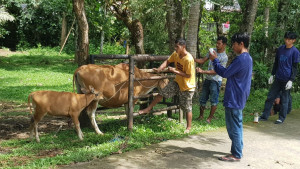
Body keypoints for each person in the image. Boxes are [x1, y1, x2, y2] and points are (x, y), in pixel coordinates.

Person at [209, 32, 252, 162]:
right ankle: (236, 150)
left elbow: (225, 73)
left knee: (234, 127)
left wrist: (215, 60)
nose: (232, 46)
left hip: (235, 97)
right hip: (238, 95)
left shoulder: (241, 59)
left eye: (234, 44)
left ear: (241, 44)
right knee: (236, 125)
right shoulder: (247, 58)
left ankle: (236, 154)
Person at [138, 38, 196, 133]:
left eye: (177, 46)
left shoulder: (189, 59)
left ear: (183, 47)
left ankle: (188, 127)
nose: (175, 48)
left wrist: (175, 71)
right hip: (177, 82)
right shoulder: (175, 54)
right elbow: (167, 61)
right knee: (162, 93)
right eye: (175, 46)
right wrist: (160, 69)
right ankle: (148, 109)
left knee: (187, 107)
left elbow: (188, 75)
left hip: (188, 86)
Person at [259, 31, 299, 124]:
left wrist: (291, 80)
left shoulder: (295, 52)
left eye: (289, 39)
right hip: (278, 78)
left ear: (293, 40)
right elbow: (276, 63)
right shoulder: (280, 49)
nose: (287, 41)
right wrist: (272, 75)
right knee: (270, 97)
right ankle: (265, 115)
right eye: (286, 38)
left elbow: (295, 67)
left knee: (284, 100)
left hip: (287, 79)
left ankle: (281, 118)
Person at [194, 36, 228, 123]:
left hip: (216, 80)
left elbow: (217, 71)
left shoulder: (224, 57)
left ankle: (209, 118)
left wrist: (203, 71)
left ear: (224, 45)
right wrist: (192, 58)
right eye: (216, 43)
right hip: (208, 79)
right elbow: (202, 60)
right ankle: (201, 116)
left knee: (214, 100)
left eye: (219, 43)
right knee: (203, 98)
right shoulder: (212, 51)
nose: (217, 45)